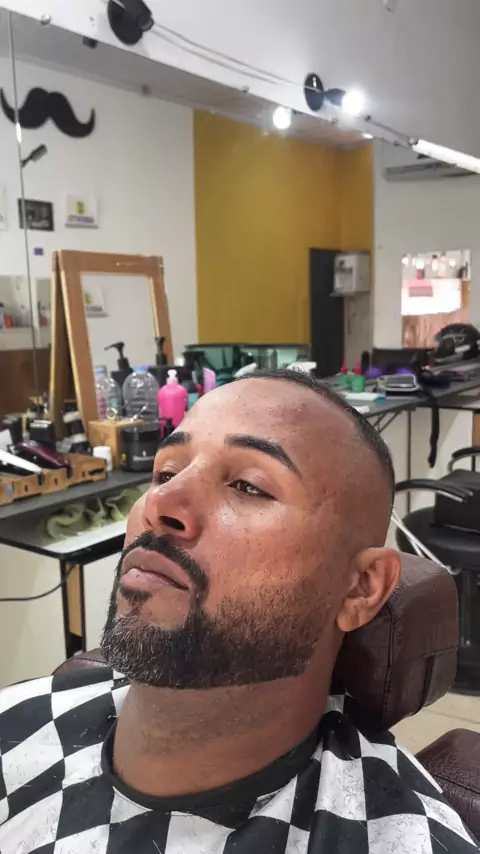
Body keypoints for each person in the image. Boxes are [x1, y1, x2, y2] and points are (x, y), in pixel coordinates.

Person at [0, 370, 477, 853]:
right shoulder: (16, 722)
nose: (160, 502)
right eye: (165, 473)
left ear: (361, 588)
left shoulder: (396, 841)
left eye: (248, 486)